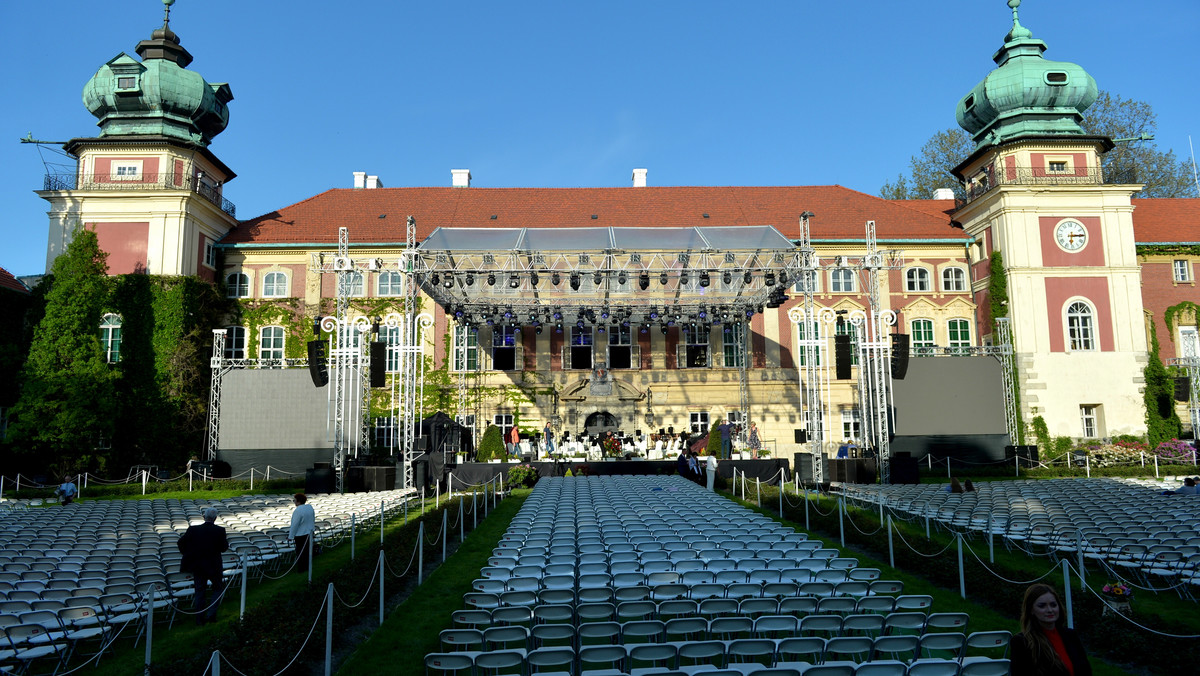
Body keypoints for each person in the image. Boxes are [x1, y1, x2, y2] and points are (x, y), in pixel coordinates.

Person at [1010, 583, 1092, 676]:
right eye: (1042, 606)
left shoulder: (1070, 635)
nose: (1049, 610)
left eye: (1053, 605)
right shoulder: (1022, 642)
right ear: (1031, 610)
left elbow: (1086, 670)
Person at [177, 507, 229, 624]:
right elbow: (224, 548)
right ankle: (211, 614)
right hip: (213, 566)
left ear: (204, 517)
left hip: (197, 565)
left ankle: (199, 619)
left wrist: (188, 554)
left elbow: (181, 543)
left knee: (200, 591)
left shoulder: (193, 530)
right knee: (218, 588)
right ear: (215, 518)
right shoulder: (220, 530)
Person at [289, 493, 316, 573]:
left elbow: (295, 524)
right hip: (310, 532)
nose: (294, 502)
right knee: (307, 552)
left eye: (295, 500)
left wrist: (290, 536)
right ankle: (307, 567)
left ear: (298, 501)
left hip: (301, 534)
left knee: (300, 552)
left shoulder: (298, 510)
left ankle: (301, 569)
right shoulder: (310, 507)